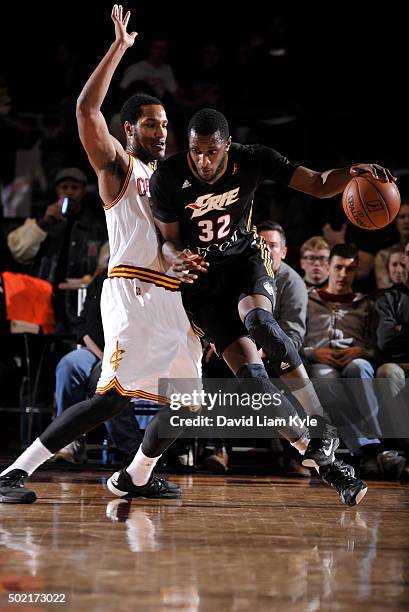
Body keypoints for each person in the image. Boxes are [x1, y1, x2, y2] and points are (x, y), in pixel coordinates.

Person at [0, 4, 202, 504]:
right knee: (112, 399)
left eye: (164, 124)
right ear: (130, 129)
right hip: (132, 290)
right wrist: (119, 49)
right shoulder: (118, 166)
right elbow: (86, 112)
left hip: (172, 297)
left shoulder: (172, 180)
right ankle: (12, 473)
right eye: (150, 124)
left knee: (187, 403)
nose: (160, 131)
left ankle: (133, 475)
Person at [149, 108, 394, 503]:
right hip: (203, 284)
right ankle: (332, 468)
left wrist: (352, 172)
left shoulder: (252, 158)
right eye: (196, 151)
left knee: (261, 320)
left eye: (211, 151)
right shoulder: (167, 177)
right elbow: (168, 240)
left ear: (227, 145)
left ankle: (321, 423)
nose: (203, 161)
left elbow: (316, 183)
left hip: (244, 260)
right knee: (254, 382)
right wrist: (174, 256)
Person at [303, 243, 406, 479]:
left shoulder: (367, 303)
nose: (343, 274)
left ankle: (370, 447)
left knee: (360, 369)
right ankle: (373, 450)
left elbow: (376, 345)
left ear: (356, 271)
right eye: (338, 267)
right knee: (324, 377)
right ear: (328, 267)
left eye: (349, 270)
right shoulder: (309, 301)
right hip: (321, 362)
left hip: (355, 360)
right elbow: (296, 338)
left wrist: (362, 351)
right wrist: (312, 353)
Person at [6, 166, 108, 330]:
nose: (69, 192)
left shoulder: (96, 228)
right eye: (64, 187)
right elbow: (19, 251)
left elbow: (105, 260)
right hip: (43, 302)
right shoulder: (44, 221)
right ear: (56, 190)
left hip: (79, 305)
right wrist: (44, 222)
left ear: (83, 191)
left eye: (75, 187)